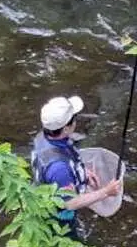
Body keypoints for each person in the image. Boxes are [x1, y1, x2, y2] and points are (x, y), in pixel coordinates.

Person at [31, 95, 122, 238]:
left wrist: (83, 171)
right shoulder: (59, 169)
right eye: (74, 118)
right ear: (66, 128)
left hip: (45, 196)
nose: (76, 121)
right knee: (69, 244)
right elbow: (70, 203)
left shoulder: (43, 137)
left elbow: (64, 158)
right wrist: (106, 192)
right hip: (58, 218)